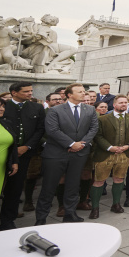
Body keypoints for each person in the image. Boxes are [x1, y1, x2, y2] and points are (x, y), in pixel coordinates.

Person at [36, 83, 98, 224]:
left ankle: (70, 214)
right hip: (56, 154)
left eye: (84, 91)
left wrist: (81, 144)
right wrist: (71, 144)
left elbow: (94, 128)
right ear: (69, 95)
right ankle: (41, 219)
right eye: (80, 91)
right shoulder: (55, 110)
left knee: (73, 185)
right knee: (49, 187)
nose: (84, 94)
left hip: (79, 154)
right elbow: (53, 130)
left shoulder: (90, 109)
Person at [0, 81, 46, 231]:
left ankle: (7, 220)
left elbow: (40, 129)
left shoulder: (37, 107)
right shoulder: (4, 106)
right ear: (14, 92)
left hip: (24, 155)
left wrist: (27, 146)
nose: (30, 94)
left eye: (31, 91)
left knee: (15, 188)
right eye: (26, 91)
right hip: (3, 153)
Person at [89, 94, 129, 219]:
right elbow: (98, 136)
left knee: (119, 179)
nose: (123, 104)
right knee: (99, 180)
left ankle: (116, 204)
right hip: (105, 154)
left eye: (125, 103)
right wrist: (110, 147)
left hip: (124, 154)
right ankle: (95, 208)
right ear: (114, 105)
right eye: (121, 102)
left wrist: (128, 146)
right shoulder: (103, 119)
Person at [0, 98, 19, 205]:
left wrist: (14, 162)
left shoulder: (5, 124)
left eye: (3, 106)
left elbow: (13, 144)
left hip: (1, 169)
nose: (2, 109)